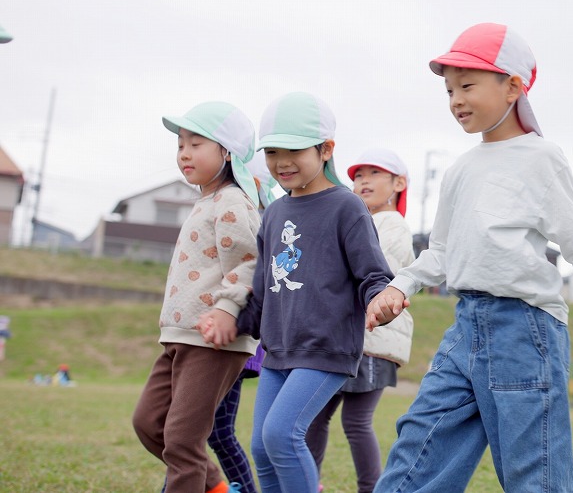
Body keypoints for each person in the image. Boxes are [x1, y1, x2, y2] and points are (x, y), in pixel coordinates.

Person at [366, 23, 573, 493]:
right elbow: (440, 250)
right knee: (420, 445)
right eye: (449, 89)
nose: (456, 99)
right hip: (466, 327)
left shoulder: (542, 159)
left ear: (514, 87)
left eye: (468, 85)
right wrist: (401, 285)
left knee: (533, 471)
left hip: (526, 331)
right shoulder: (460, 170)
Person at [199, 92, 397, 493]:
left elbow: (373, 274)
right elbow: (261, 289)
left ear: (326, 149)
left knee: (282, 436)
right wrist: (233, 322)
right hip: (278, 349)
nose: (281, 162)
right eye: (272, 151)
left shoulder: (347, 207)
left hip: (326, 347)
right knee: (261, 447)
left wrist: (381, 297)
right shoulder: (273, 213)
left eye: (293, 150)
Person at [133, 101, 262, 493]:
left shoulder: (234, 202)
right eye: (180, 144)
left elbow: (249, 263)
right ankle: (219, 489)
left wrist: (226, 309)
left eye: (196, 143)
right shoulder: (205, 201)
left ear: (227, 152)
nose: (184, 153)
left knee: (183, 440)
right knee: (149, 423)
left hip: (211, 340)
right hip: (178, 335)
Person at [306, 148, 416, 493]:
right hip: (347, 338)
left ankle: (371, 488)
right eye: (357, 175)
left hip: (373, 339)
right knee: (316, 417)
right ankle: (308, 482)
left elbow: (377, 271)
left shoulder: (393, 224)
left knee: (355, 421)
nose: (362, 181)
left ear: (398, 183)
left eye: (373, 173)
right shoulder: (357, 219)